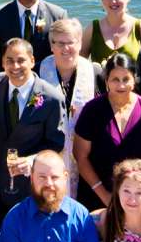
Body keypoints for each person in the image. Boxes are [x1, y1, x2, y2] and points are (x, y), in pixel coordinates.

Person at [0, 38, 68, 228]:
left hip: (29, 185)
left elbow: (56, 144)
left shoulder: (51, 98)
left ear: (32, 61)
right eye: (9, 60)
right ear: (2, 62)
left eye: (21, 60)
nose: (15, 66)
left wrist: (32, 160)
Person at [70, 54, 141, 213]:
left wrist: (138, 189)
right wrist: (104, 195)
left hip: (136, 200)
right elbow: (80, 156)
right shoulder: (92, 111)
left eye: (126, 79)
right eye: (115, 79)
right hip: (96, 197)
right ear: (106, 81)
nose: (121, 85)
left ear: (134, 80)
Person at [36, 17, 101, 180]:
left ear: (80, 43)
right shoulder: (37, 73)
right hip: (48, 153)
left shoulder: (95, 73)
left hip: (86, 155)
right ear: (51, 46)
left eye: (71, 42)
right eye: (59, 43)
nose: (66, 48)